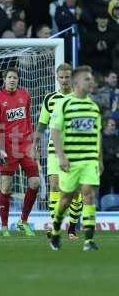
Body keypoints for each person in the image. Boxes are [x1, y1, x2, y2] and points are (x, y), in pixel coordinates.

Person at [49, 65, 102, 251]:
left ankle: (89, 240)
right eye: (87, 79)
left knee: (88, 193)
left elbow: (97, 135)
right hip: (70, 161)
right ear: (77, 82)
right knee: (66, 199)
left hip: (88, 161)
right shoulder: (64, 104)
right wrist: (61, 157)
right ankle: (55, 231)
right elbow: (54, 132)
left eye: (92, 79)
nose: (92, 82)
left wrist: (99, 159)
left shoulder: (94, 108)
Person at [0, 67, 40, 237]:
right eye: (9, 77)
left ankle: (23, 221)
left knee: (35, 183)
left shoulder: (25, 95)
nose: (12, 80)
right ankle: (4, 226)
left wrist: (33, 142)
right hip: (7, 147)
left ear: (18, 80)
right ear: (4, 79)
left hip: (25, 145)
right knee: (6, 186)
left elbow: (28, 120)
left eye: (15, 78)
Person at [33, 63, 82, 240]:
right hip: (54, 150)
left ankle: (72, 228)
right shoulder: (50, 99)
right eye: (61, 77)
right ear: (56, 78)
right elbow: (42, 123)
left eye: (67, 77)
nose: (64, 80)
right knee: (54, 185)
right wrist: (34, 144)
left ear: (72, 78)